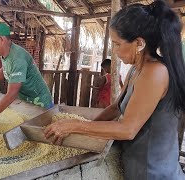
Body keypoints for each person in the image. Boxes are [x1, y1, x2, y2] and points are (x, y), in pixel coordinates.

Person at [44, 1, 185, 179]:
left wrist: (74, 126)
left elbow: (128, 129)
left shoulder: (155, 72)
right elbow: (115, 108)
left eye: (117, 44)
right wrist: (85, 132)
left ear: (139, 43)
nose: (115, 50)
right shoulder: (137, 69)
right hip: (136, 166)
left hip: (155, 172)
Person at [0, 21, 53, 128]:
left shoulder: (17, 58)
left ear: (2, 40)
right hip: (27, 102)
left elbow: (11, 95)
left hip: (40, 104)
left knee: (40, 133)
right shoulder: (6, 53)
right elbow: (5, 69)